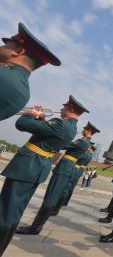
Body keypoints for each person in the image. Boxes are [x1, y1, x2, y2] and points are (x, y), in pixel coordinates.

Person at [0, 95, 85, 254]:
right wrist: (42, 120)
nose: (61, 109)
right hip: (36, 166)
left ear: (71, 109)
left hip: (28, 166)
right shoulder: (70, 127)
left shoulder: (60, 123)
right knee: (15, 209)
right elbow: (46, 135)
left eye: (64, 107)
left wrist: (31, 114)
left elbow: (21, 124)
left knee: (6, 208)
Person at [15, 105, 94, 236]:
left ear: (89, 131)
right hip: (66, 166)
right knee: (51, 195)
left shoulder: (83, 142)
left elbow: (63, 144)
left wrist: (49, 129)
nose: (84, 130)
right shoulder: (82, 140)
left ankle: (36, 227)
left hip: (66, 167)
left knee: (51, 196)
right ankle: (36, 225)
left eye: (86, 129)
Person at [0, 23, 61, 121]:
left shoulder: (3, 73)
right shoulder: (24, 95)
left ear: (18, 51)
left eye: (5, 45)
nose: (1, 47)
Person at [58, 142, 96, 210]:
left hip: (75, 169)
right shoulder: (90, 156)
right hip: (79, 171)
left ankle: (60, 204)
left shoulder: (84, 153)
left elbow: (75, 157)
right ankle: (65, 202)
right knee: (71, 187)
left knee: (67, 187)